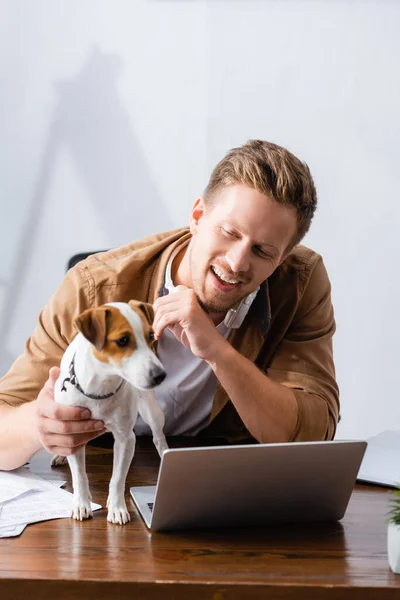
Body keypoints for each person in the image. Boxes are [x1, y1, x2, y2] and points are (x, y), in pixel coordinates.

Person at [0, 140, 339, 471]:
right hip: (105, 485)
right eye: (229, 233)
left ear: (282, 259)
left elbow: (310, 436)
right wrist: (37, 424)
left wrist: (217, 351)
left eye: (262, 252)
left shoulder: (300, 283)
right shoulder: (92, 287)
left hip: (222, 486)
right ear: (197, 216)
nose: (237, 263)